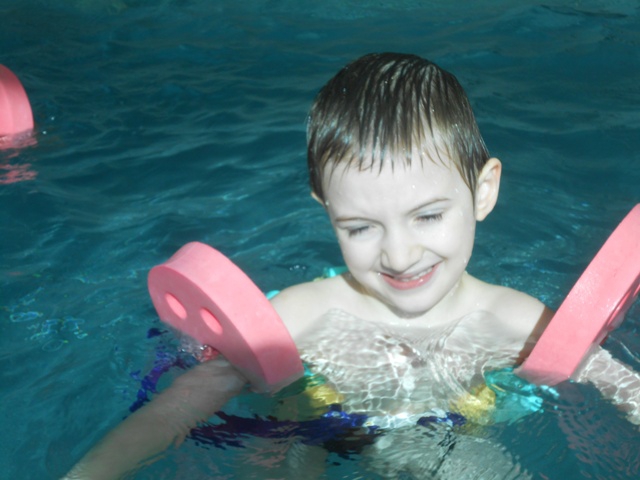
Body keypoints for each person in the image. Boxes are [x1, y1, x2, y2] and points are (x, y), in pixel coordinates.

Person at [64, 53, 640, 479]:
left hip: (450, 446)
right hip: (310, 436)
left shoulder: (519, 322)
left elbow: (618, 383)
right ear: (327, 211)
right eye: (361, 227)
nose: (399, 256)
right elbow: (176, 410)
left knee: (472, 463)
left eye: (428, 216)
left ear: (483, 192)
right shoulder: (301, 316)